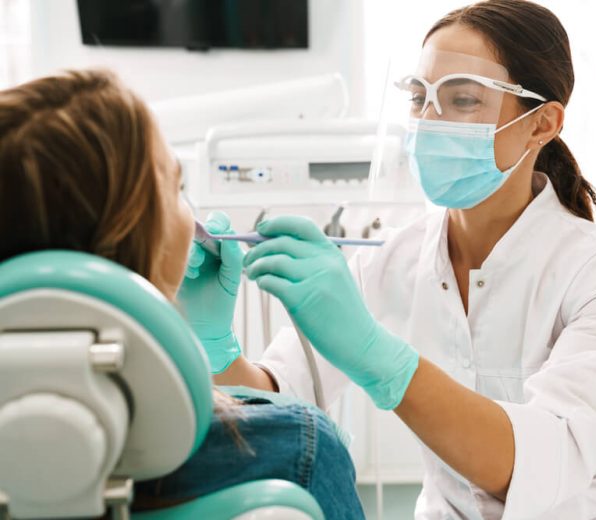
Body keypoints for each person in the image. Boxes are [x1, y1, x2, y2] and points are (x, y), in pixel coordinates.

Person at [203, 1, 596, 518]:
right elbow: (277, 403)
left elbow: (534, 464)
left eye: (463, 99)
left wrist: (379, 359)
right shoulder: (391, 261)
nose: (429, 122)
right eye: (418, 97)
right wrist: (214, 346)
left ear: (542, 124)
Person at [0, 69, 364, 519]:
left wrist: (218, 353)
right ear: (139, 234)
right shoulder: (298, 452)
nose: (192, 219)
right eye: (177, 187)